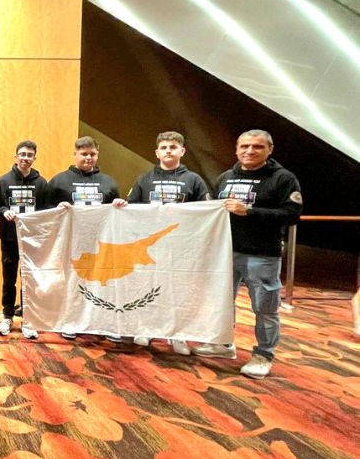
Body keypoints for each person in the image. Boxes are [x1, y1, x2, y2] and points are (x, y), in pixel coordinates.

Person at [193, 130, 302, 379]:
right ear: (236, 149)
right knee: (221, 301)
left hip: (261, 254)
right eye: (244, 146)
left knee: (265, 307)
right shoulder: (225, 178)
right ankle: (222, 343)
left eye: (257, 147)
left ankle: (264, 354)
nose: (250, 151)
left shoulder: (283, 178)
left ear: (269, 149)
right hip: (224, 252)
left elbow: (292, 215)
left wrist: (250, 212)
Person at [128, 131, 210, 355]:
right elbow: (131, 208)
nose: (168, 151)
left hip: (182, 246)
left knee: (179, 290)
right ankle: (146, 328)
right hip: (152, 247)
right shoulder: (144, 179)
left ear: (182, 151)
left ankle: (177, 334)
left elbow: (206, 211)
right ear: (157, 152)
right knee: (149, 287)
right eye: (164, 148)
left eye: (173, 147)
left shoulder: (194, 180)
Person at [51, 136, 128, 341]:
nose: (88, 157)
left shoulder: (108, 182)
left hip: (101, 243)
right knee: (74, 282)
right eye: (84, 154)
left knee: (104, 282)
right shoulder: (59, 181)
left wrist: (120, 204)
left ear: (97, 155)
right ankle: (71, 322)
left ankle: (104, 323)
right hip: (72, 243)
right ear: (75, 154)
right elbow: (45, 211)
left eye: (92, 154)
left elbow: (117, 211)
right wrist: (57, 208)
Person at [0, 140, 51, 340]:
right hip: (9, 239)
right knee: (9, 279)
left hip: (32, 240)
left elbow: (46, 211)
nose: (25, 158)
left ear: (35, 158)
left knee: (29, 280)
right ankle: (7, 317)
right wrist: (4, 211)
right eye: (22, 154)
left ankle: (28, 319)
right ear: (16, 156)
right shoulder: (3, 180)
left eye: (29, 155)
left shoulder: (41, 183)